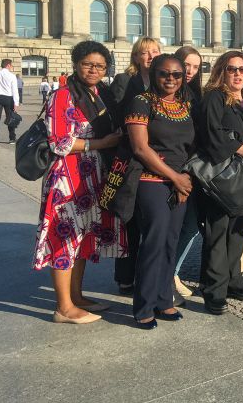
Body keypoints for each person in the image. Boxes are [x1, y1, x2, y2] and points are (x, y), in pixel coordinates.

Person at [32, 41, 125, 323]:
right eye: (88, 64)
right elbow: (59, 142)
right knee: (64, 238)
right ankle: (63, 307)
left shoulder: (101, 94)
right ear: (76, 64)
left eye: (100, 66)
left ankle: (76, 295)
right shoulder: (62, 95)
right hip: (68, 177)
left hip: (93, 175)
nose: (93, 70)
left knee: (82, 238)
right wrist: (101, 143)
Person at [125, 54, 195, 329]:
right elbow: (140, 148)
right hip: (152, 180)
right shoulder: (142, 102)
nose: (170, 79)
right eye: (164, 73)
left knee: (171, 242)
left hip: (181, 181)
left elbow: (191, 146)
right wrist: (175, 177)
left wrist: (185, 178)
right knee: (153, 243)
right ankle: (143, 304)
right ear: (154, 74)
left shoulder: (185, 105)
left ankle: (164, 298)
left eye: (177, 75)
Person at [198, 51, 243, 315]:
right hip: (221, 176)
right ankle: (214, 290)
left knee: (238, 231)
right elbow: (211, 134)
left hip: (242, 177)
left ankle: (234, 280)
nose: (238, 74)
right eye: (232, 69)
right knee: (217, 233)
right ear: (221, 72)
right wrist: (239, 148)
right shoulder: (214, 97)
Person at [110, 37, 161, 295]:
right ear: (136, 57)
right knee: (128, 220)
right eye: (145, 52)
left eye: (155, 51)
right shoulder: (124, 81)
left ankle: (146, 274)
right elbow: (119, 115)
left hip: (156, 156)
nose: (150, 56)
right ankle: (125, 276)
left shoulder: (164, 79)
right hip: (131, 157)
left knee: (149, 221)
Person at [172, 46, 203, 304]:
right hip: (171, 172)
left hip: (194, 171)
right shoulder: (168, 95)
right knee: (172, 227)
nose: (191, 71)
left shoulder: (197, 95)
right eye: (187, 65)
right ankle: (166, 277)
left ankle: (171, 273)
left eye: (196, 66)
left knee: (190, 226)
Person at [0, 59, 20, 144]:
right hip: (8, 98)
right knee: (11, 118)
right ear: (8, 65)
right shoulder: (12, 76)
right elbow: (15, 90)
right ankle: (12, 138)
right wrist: (16, 103)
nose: (11, 67)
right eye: (11, 65)